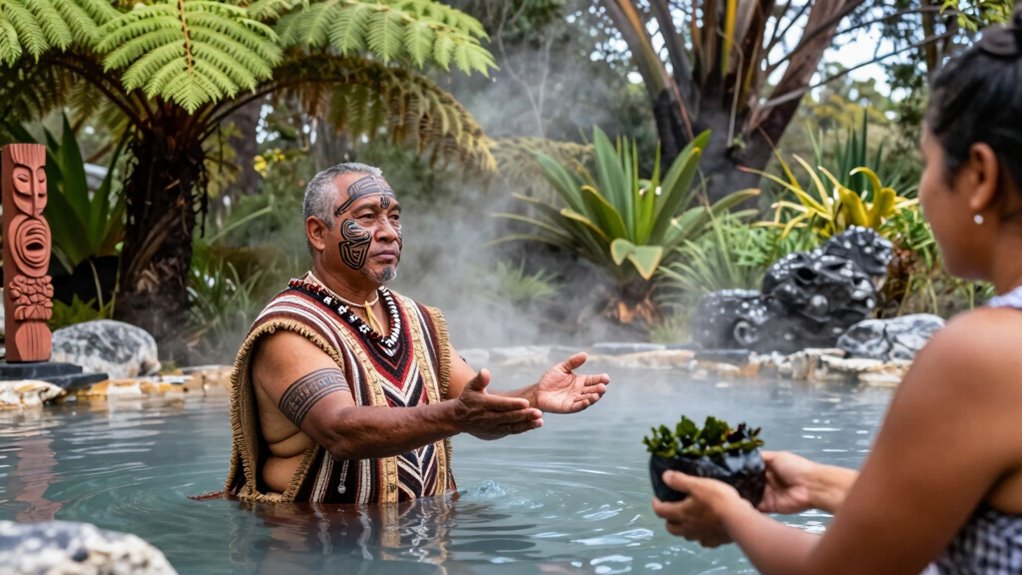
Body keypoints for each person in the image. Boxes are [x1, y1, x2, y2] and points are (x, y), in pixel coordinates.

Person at [652, 9, 1022, 574]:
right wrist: (823, 485)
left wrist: (732, 515)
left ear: (980, 176)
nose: (920, 190)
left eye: (925, 162)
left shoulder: (986, 354)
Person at [225, 162, 610, 505]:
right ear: (318, 233)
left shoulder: (416, 318)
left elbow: (475, 406)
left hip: (425, 536)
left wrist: (533, 395)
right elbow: (340, 431)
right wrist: (456, 417)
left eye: (394, 217)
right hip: (321, 544)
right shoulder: (290, 328)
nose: (389, 232)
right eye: (368, 217)